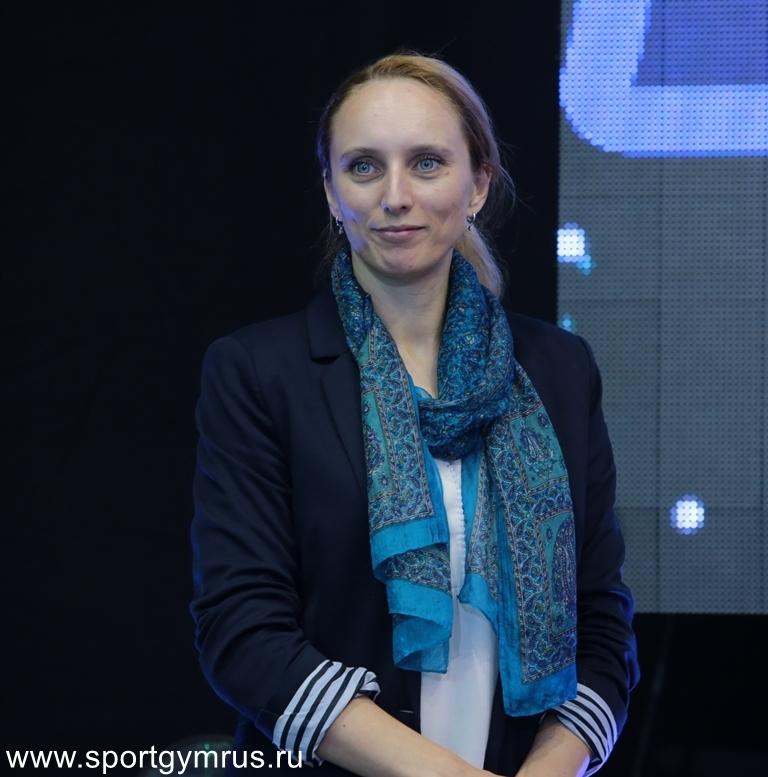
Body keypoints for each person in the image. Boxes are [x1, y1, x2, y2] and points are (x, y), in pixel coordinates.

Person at [189, 51, 639, 777]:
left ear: (478, 184)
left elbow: (604, 623)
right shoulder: (257, 372)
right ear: (331, 191)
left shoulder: (559, 369)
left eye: (427, 163)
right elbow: (242, 634)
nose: (395, 196)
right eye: (364, 167)